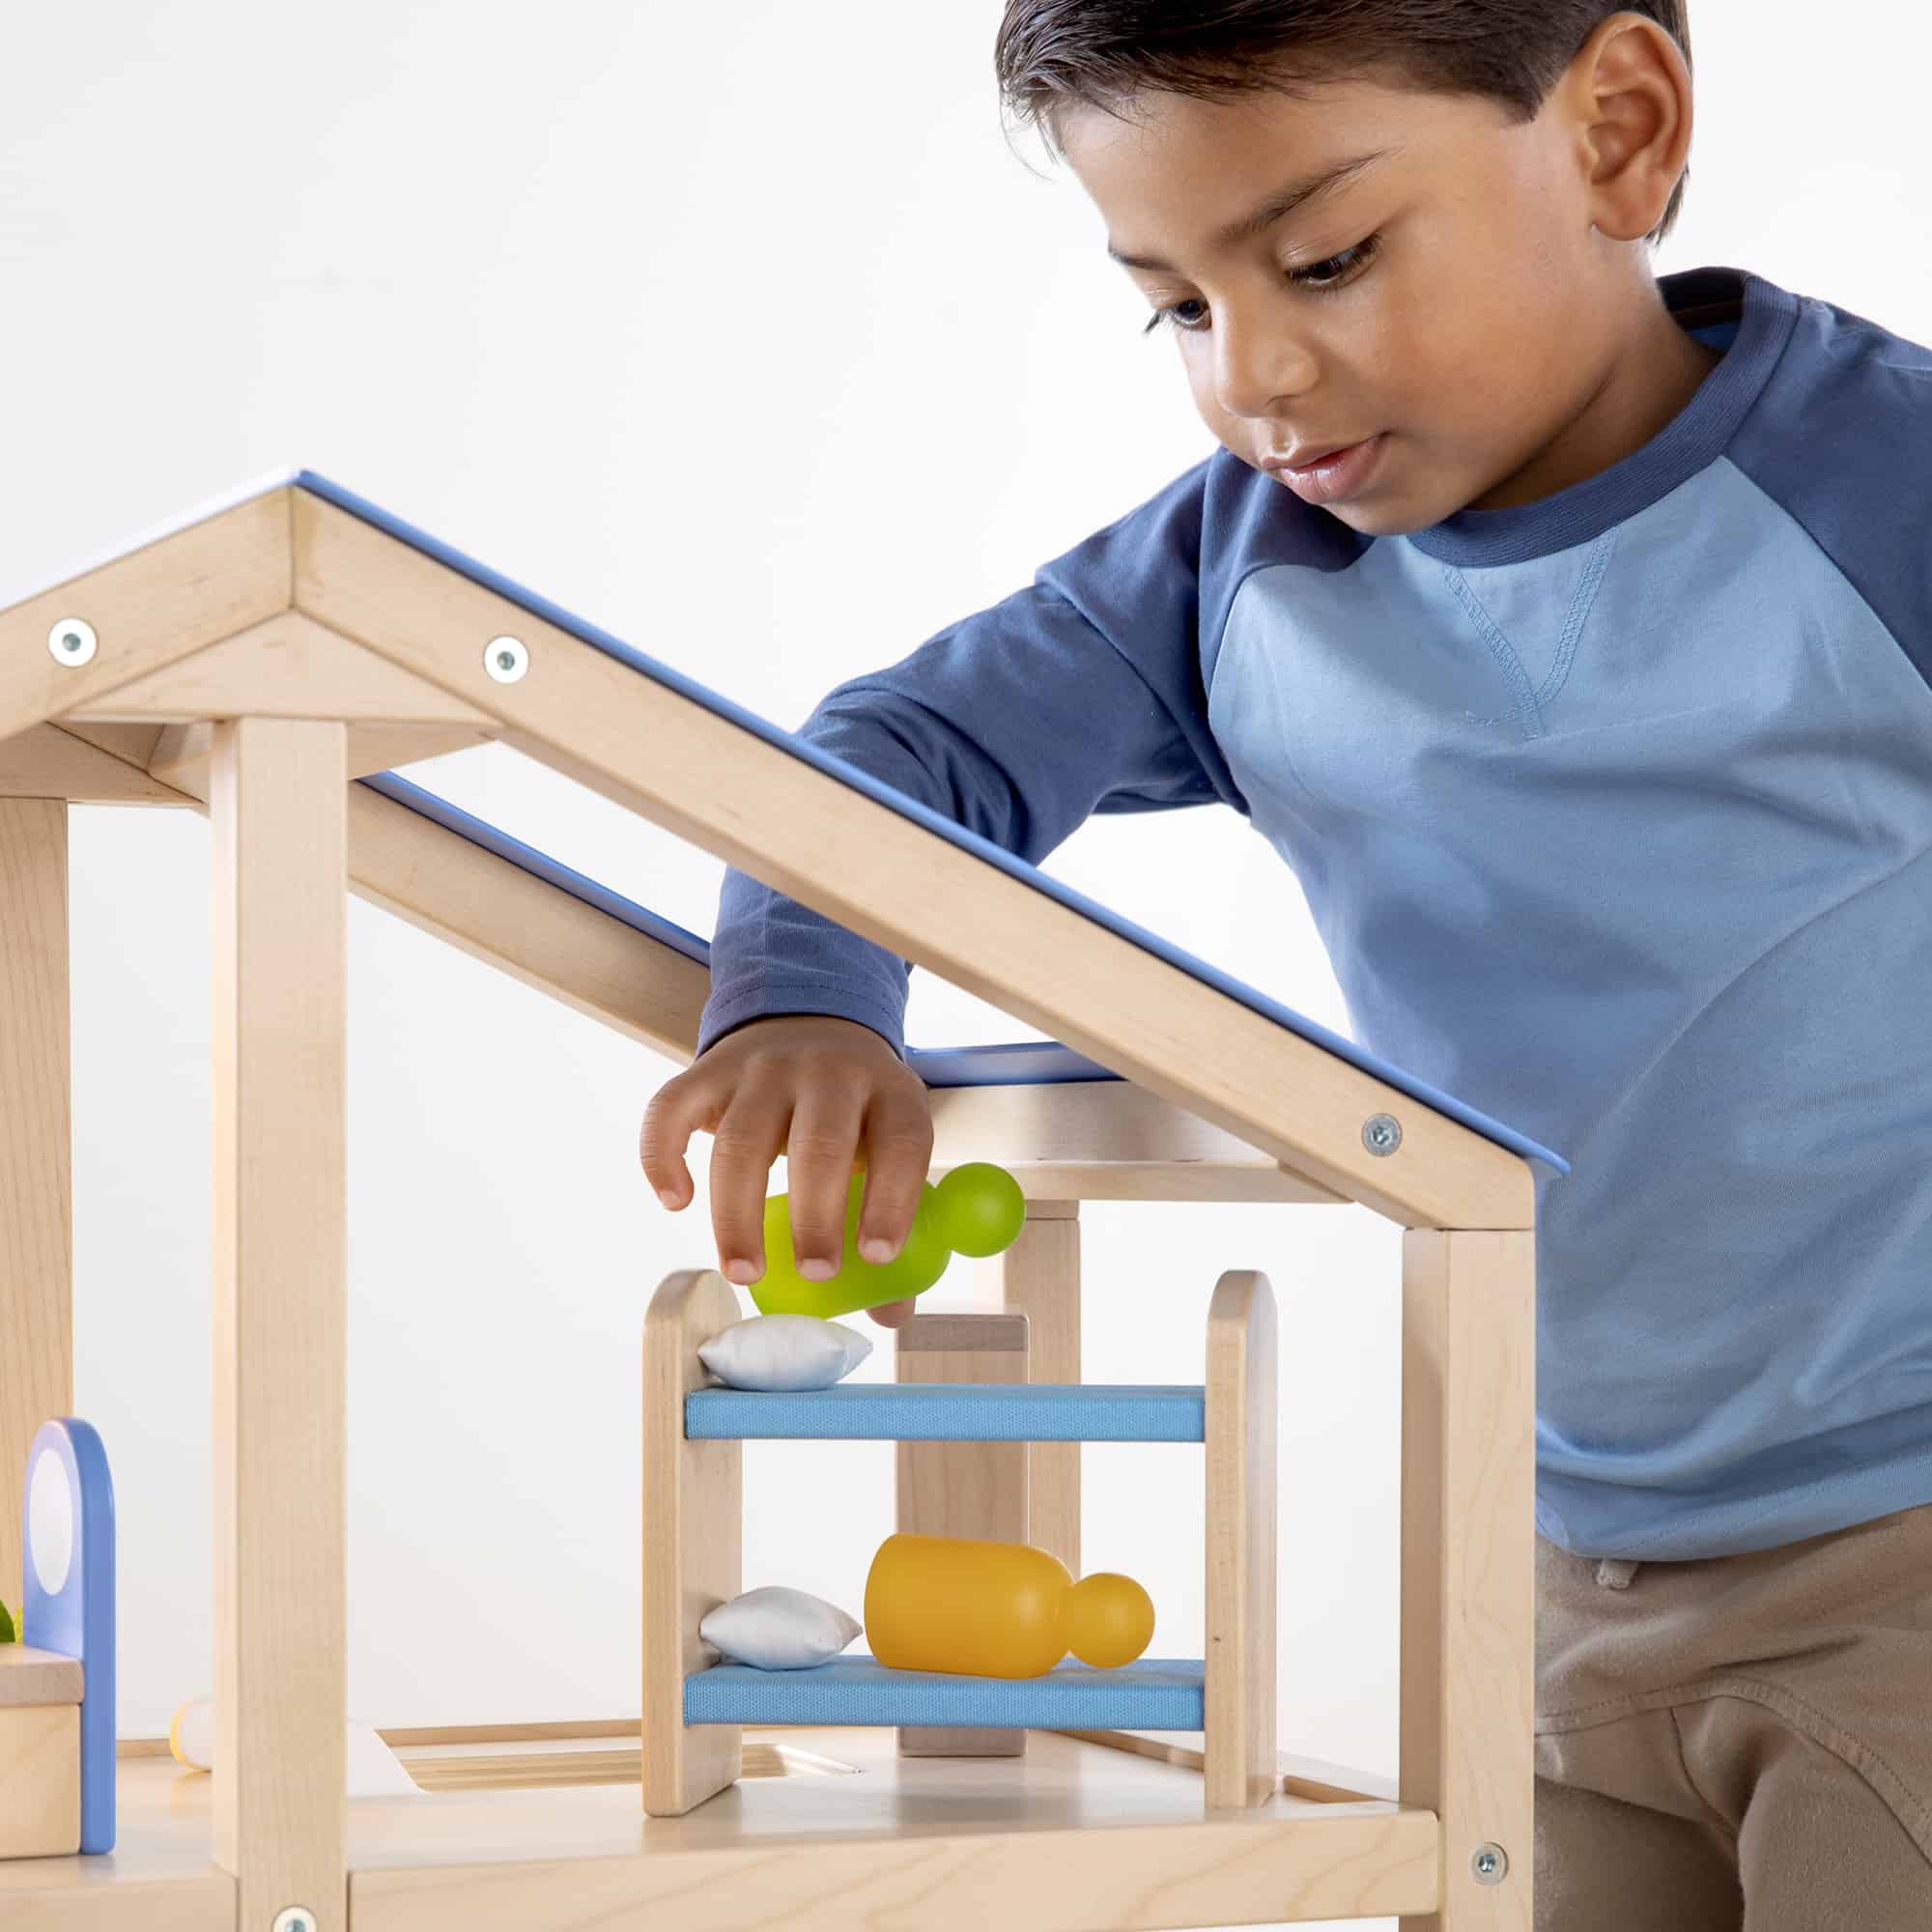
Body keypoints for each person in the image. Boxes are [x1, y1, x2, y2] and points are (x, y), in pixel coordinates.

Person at [639, 5, 1932, 1922]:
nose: (1249, 374)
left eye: (1325, 260)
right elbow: (899, 748)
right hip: (1555, 1574)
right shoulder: (1239, 571)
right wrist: (809, 994)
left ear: (1616, 131)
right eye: (1174, 304)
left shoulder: (1883, 487)